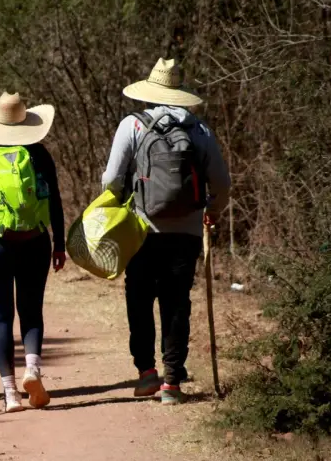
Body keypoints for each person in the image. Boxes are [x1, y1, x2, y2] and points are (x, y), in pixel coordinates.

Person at [102, 58, 231, 405]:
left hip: (141, 229)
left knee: (139, 299)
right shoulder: (199, 130)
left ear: (149, 92)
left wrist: (116, 207)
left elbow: (111, 179)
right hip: (187, 232)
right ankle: (172, 382)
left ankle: (146, 374)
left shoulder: (132, 125)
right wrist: (211, 212)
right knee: (177, 303)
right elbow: (221, 182)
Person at [0, 91, 66, 413]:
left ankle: (9, 393)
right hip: (35, 240)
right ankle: (33, 370)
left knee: (0, 316)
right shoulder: (39, 154)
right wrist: (58, 244)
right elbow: (55, 202)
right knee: (31, 311)